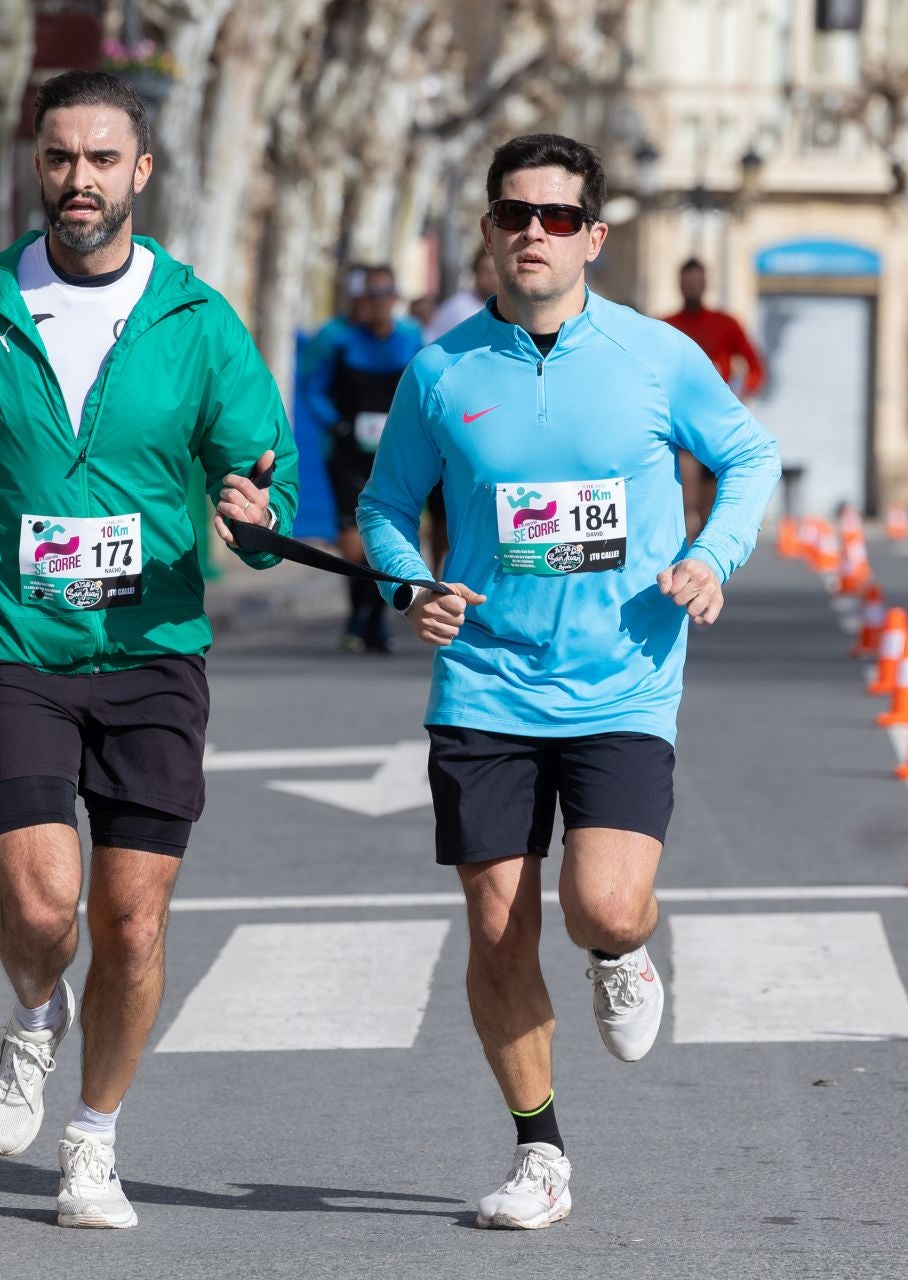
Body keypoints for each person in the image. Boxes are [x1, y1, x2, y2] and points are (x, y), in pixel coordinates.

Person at [0, 69, 298, 1230]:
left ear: (142, 172)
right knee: (49, 907)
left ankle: (94, 1139)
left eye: (103, 159)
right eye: (60, 158)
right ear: (36, 167)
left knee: (135, 922)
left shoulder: (197, 323)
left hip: (154, 647)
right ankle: (35, 1011)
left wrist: (254, 518)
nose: (79, 181)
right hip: (12, 643)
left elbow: (262, 466)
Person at [357, 133, 779, 1231]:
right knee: (498, 932)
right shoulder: (442, 371)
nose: (531, 234)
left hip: (624, 680)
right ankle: (539, 1149)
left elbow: (748, 457)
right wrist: (412, 586)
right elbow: (387, 509)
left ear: (594, 236)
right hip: (486, 686)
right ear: (490, 230)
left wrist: (711, 555)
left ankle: (624, 948)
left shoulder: (655, 355)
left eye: (555, 217)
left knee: (599, 902)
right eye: (513, 215)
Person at [302, 264, 421, 652]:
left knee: (390, 532)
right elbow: (312, 386)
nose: (379, 302)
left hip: (396, 453)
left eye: (387, 293)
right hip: (348, 451)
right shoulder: (340, 340)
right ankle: (359, 612)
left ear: (396, 298)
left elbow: (427, 387)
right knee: (353, 539)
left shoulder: (411, 339)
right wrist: (335, 423)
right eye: (372, 294)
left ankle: (373, 619)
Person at [660, 258, 767, 539]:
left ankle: (706, 572)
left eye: (698, 281)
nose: (693, 287)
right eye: (687, 281)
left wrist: (742, 395)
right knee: (685, 508)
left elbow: (755, 367)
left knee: (711, 515)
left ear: (705, 284)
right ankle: (681, 571)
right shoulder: (665, 325)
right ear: (679, 284)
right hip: (681, 429)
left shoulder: (725, 324)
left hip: (717, 429)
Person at [427, 245, 498, 340]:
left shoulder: (507, 311)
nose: (491, 279)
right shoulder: (456, 308)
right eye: (484, 271)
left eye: (494, 272)